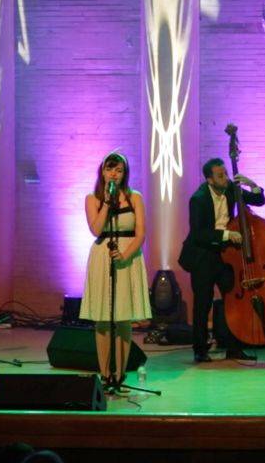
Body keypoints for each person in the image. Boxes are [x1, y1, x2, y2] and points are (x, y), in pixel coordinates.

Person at [178, 158, 264, 362]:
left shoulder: (231, 190)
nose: (225, 178)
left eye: (225, 173)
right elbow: (199, 233)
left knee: (233, 300)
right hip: (203, 255)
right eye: (220, 175)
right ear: (209, 179)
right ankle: (200, 350)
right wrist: (226, 235)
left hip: (227, 255)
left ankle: (233, 347)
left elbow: (259, 201)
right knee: (203, 302)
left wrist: (252, 185)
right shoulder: (198, 199)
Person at [80, 153, 151, 389]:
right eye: (110, 169)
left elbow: (141, 233)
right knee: (103, 317)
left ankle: (119, 373)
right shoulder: (92, 198)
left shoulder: (135, 197)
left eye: (119, 170)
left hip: (127, 255)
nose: (114, 174)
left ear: (124, 174)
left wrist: (125, 254)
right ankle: (104, 373)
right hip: (103, 255)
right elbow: (96, 229)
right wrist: (108, 203)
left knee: (122, 317)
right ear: (102, 171)